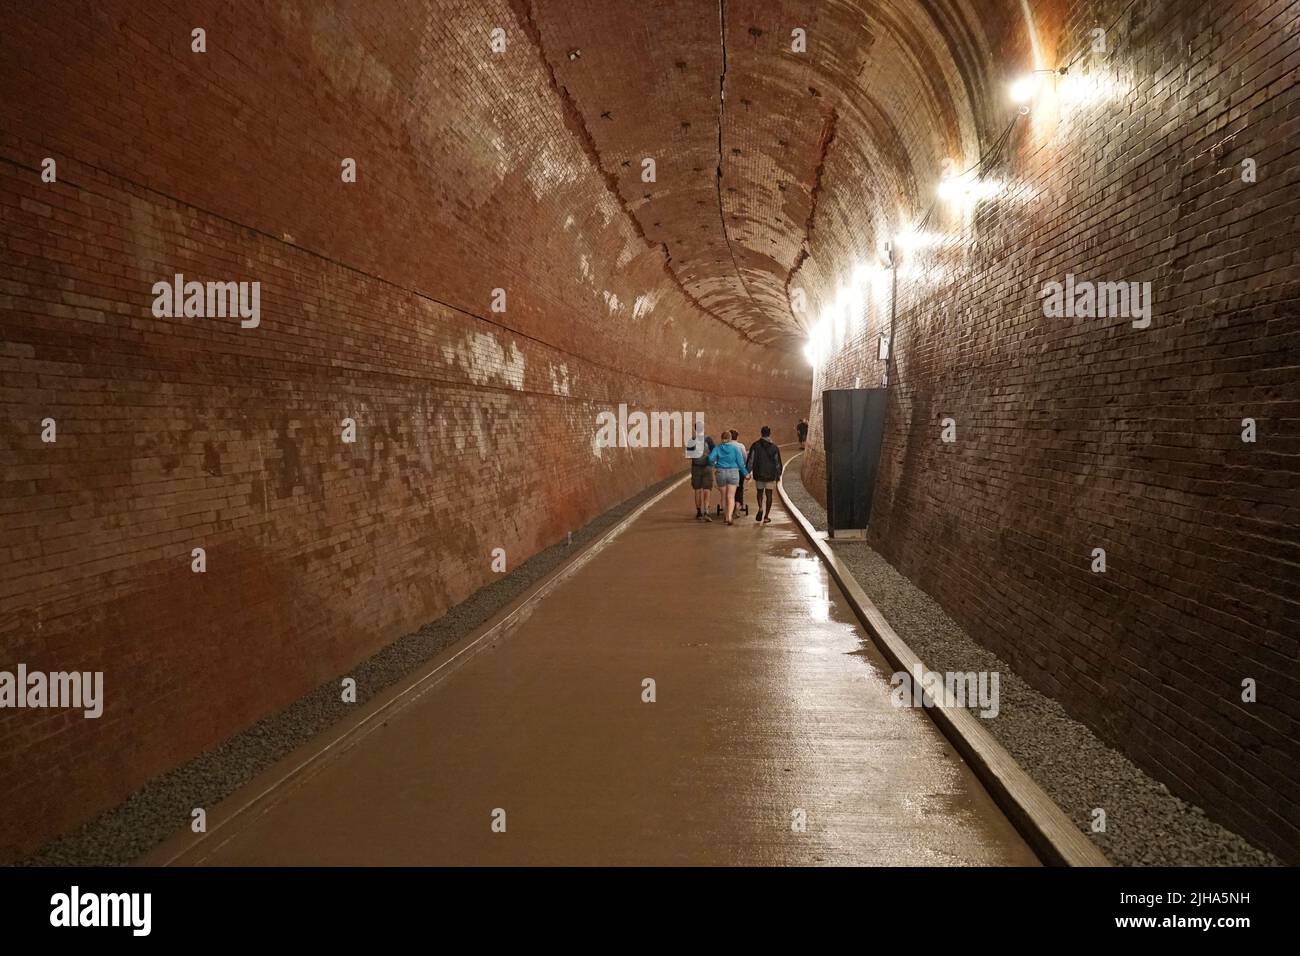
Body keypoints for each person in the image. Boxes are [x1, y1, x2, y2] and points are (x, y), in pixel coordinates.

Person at [708, 431, 748, 525]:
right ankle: (729, 517)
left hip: (721, 472)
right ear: (730, 439)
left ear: (721, 438)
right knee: (731, 496)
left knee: (723, 496)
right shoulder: (735, 448)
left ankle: (725, 516)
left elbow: (710, 459)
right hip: (733, 473)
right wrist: (746, 474)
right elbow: (741, 463)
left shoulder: (717, 448)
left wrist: (714, 464)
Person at [748, 425, 783, 523]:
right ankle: (766, 516)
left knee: (759, 492)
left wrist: (748, 472)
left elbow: (751, 460)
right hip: (770, 474)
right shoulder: (774, 447)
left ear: (761, 433)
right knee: (769, 494)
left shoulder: (755, 445)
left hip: (758, 473)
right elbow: (777, 463)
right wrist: (778, 474)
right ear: (769, 433)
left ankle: (760, 508)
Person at [689, 432, 715, 521]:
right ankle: (706, 511)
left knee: (697, 489)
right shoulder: (708, 439)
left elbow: (689, 455)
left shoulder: (692, 440)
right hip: (707, 467)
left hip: (696, 467)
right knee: (707, 489)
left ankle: (699, 512)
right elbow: (714, 452)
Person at [728, 429, 748, 516]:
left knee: (729, 490)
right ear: (737, 437)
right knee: (739, 489)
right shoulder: (741, 446)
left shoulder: (724, 445)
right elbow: (744, 458)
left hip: (728, 470)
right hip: (739, 471)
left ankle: (728, 508)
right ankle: (737, 507)